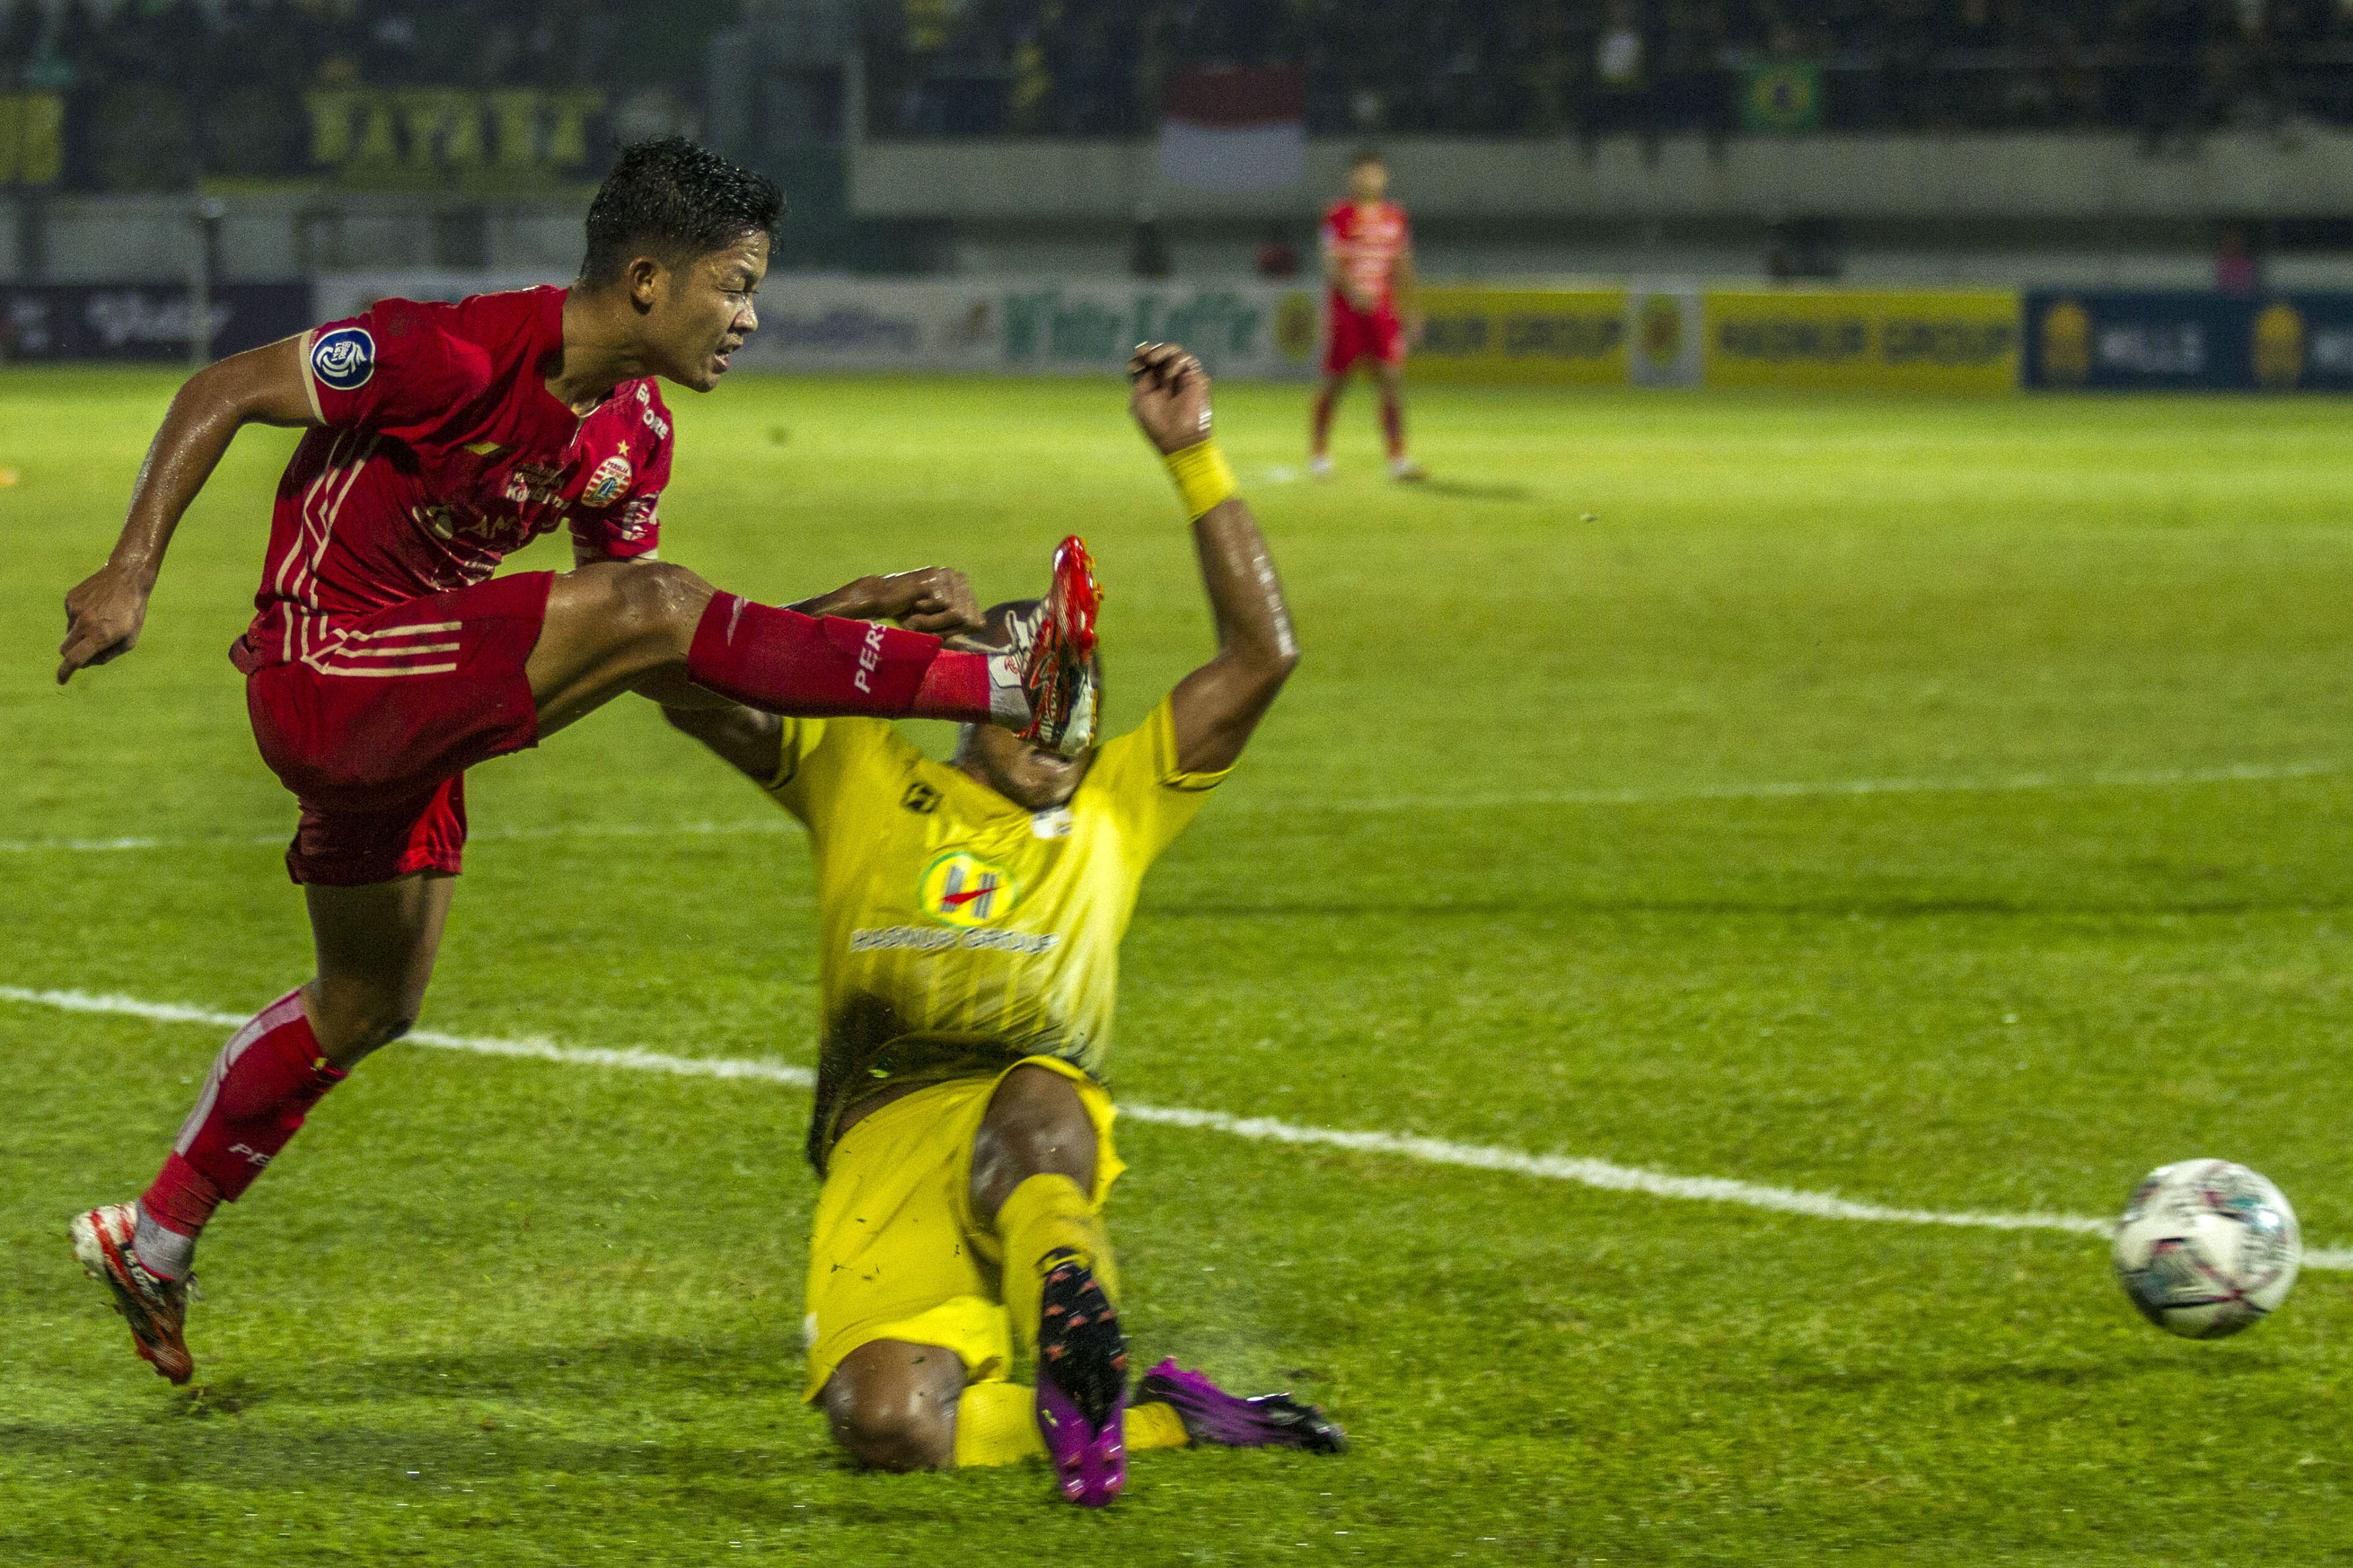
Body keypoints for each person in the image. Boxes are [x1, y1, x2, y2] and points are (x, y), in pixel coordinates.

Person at [59, 137, 1101, 1388]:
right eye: (738, 283)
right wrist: (131, 569)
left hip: (415, 707)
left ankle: (155, 1234)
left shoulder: (634, 432)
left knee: (369, 1003)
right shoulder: (442, 353)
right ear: (652, 279)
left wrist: (844, 621)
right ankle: (1009, 684)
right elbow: (220, 388)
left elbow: (659, 645)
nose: (753, 316)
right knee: (652, 606)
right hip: (325, 673)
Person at [662, 343, 1340, 1507]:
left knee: (1033, 1108)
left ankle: (1076, 1313)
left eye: (1081, 698)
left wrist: (1194, 457)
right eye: (1033, 695)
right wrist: (866, 608)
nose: (1062, 727)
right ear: (969, 693)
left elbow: (1261, 655)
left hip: (1029, 1114)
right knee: (885, 1427)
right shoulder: (860, 767)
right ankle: (1165, 1418)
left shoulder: (1120, 803)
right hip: (881, 1132)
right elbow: (684, 672)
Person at [1309, 150, 1424, 482]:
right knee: (1336, 381)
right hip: (1347, 311)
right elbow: (1331, 261)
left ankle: (1398, 457)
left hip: (1384, 311)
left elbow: (1403, 265)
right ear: (1352, 177)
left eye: (1375, 174)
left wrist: (1412, 309)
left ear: (1384, 177)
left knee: (1391, 381)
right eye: (1363, 174)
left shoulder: (1395, 216)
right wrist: (1353, 291)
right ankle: (1319, 451)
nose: (1370, 179)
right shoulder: (1338, 214)